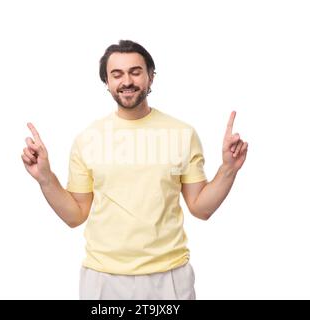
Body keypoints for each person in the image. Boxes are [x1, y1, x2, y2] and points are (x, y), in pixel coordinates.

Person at [21, 40, 248, 300]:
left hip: (169, 277)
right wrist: (45, 178)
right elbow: (75, 215)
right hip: (103, 279)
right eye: (116, 74)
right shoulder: (88, 139)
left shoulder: (181, 134)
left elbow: (201, 207)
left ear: (151, 77)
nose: (126, 81)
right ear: (106, 82)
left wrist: (228, 169)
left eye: (135, 72)